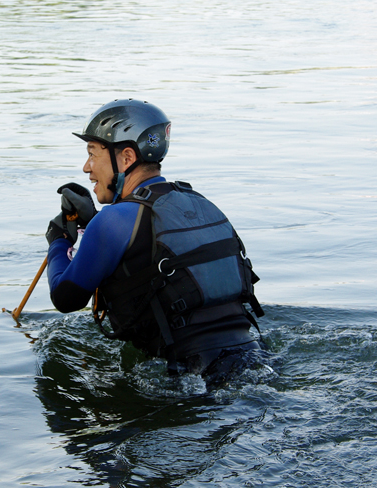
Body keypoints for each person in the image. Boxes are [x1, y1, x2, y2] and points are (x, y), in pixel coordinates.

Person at [45, 99, 266, 383]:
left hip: (194, 375)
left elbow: (65, 298)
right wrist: (92, 223)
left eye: (92, 153)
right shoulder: (196, 202)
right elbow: (144, 250)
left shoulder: (113, 222)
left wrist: (59, 241)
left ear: (126, 158)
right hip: (254, 355)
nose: (86, 167)